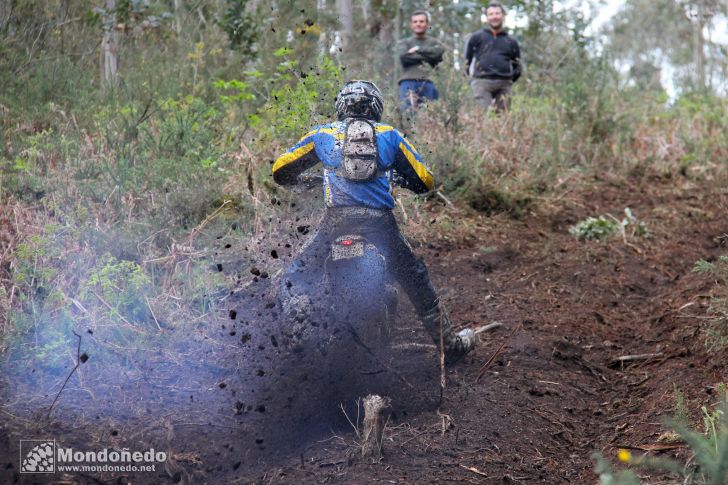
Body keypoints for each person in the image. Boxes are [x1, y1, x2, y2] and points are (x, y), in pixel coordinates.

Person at [272, 80, 475, 364]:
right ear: (377, 107)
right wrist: (405, 181)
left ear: (341, 106)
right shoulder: (390, 135)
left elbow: (280, 169)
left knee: (297, 277)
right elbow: (426, 179)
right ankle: (450, 346)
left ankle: (298, 341)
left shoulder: (323, 133)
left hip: (336, 224)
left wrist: (306, 182)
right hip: (380, 226)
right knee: (415, 278)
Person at [464, 2, 521, 113]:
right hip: (482, 82)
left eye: (497, 13)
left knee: (503, 120)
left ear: (503, 16)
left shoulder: (511, 41)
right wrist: (471, 80)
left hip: (504, 84)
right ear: (487, 17)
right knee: (480, 118)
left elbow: (517, 65)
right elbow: (467, 60)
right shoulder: (477, 37)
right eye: (491, 14)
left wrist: (509, 79)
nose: (494, 17)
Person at [397, 10, 445, 114]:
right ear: (411, 24)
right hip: (408, 82)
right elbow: (404, 57)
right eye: (415, 21)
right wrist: (428, 55)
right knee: (408, 116)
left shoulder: (435, 42)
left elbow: (437, 55)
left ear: (427, 24)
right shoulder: (404, 42)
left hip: (429, 82)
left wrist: (417, 49)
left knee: (430, 116)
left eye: (421, 21)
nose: (418, 24)